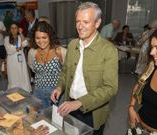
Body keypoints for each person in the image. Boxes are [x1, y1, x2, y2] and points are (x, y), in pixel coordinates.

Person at [50, 2, 118, 135]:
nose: (80, 26)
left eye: (85, 22)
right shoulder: (72, 45)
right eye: (78, 21)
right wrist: (60, 87)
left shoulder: (108, 50)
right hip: (69, 106)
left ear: (97, 23)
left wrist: (80, 102)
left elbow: (110, 88)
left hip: (93, 112)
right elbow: (65, 71)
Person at [28, 21, 66, 109]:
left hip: (57, 94)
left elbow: (67, 73)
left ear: (50, 36)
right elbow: (33, 69)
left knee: (57, 121)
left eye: (44, 37)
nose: (41, 41)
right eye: (37, 38)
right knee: (40, 119)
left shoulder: (60, 51)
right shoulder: (32, 52)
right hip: (38, 92)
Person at [4, 22, 32, 92]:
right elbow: (9, 50)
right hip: (11, 60)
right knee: (13, 76)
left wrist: (21, 33)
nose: (13, 30)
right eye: (12, 28)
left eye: (15, 28)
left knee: (22, 75)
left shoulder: (20, 37)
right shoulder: (6, 38)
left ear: (18, 29)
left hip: (20, 60)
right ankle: (14, 91)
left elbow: (26, 43)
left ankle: (24, 90)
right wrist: (19, 47)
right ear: (10, 29)